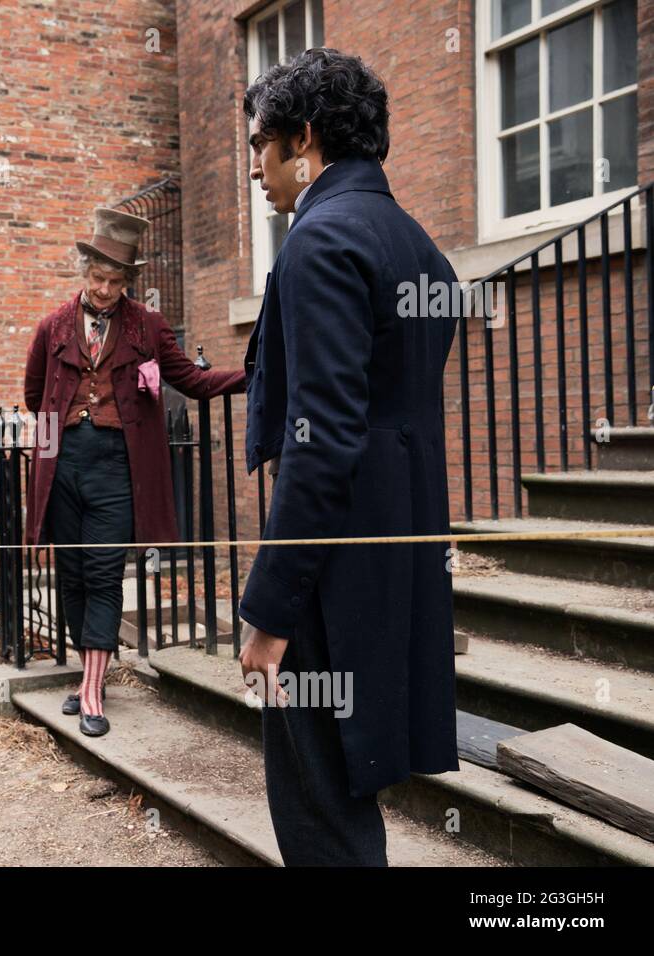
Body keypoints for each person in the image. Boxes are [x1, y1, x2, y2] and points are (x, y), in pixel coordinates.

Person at [237, 48, 460, 866]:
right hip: (398, 552)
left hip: (331, 568)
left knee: (320, 810)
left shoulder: (318, 241)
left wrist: (269, 612)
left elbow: (324, 439)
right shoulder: (419, 248)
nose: (256, 170)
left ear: (303, 139)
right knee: (347, 792)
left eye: (260, 146)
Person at [24, 207, 246, 737]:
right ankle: (85, 677)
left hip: (117, 469)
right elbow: (35, 396)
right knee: (72, 576)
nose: (103, 290)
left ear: (128, 281)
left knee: (103, 575)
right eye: (97, 278)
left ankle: (95, 691)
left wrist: (251, 377)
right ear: (84, 273)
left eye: (115, 280)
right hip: (64, 469)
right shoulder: (52, 326)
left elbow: (191, 380)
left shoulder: (147, 326)